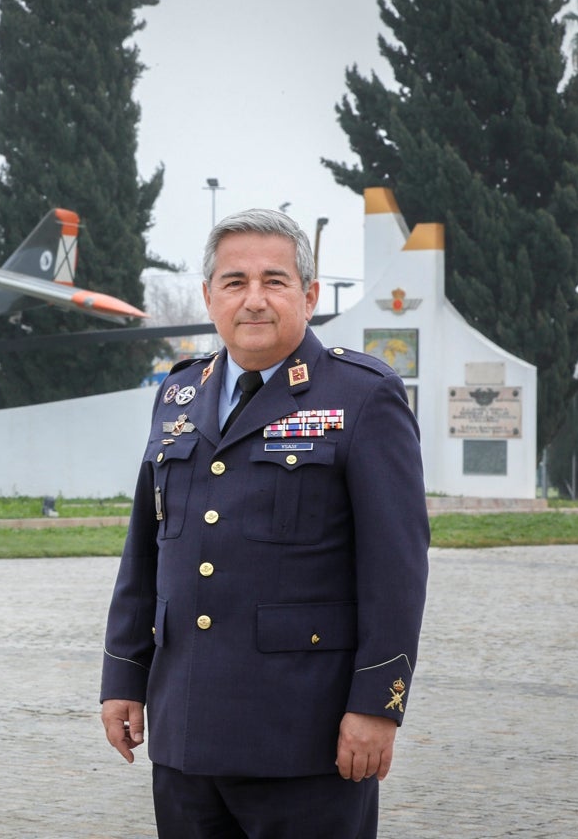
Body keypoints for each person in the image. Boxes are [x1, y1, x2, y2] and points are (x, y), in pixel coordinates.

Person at [100, 209, 429, 838]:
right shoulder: (178, 395)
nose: (253, 300)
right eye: (234, 282)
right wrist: (123, 676)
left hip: (306, 741)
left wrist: (376, 707)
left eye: (274, 281)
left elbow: (397, 569)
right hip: (187, 735)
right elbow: (145, 551)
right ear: (208, 296)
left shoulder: (362, 396)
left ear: (307, 295)